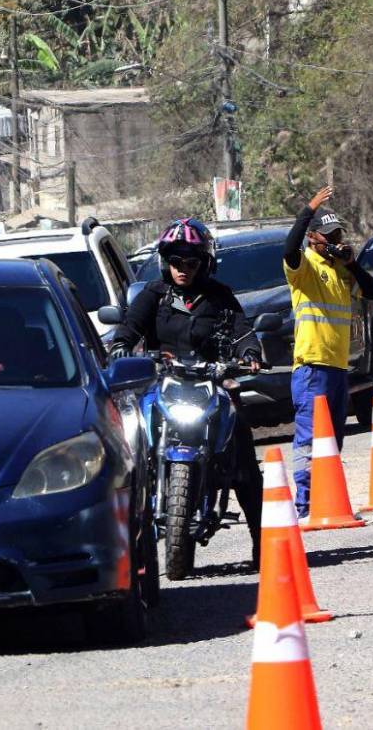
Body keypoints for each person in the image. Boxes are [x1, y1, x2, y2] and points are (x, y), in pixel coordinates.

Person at [107, 218, 264, 564]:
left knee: (242, 453)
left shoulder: (220, 297)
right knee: (126, 447)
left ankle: (262, 539)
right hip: (162, 385)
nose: (183, 269)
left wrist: (250, 353)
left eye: (191, 262)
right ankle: (125, 544)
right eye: (176, 262)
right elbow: (129, 328)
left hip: (211, 384)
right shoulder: (153, 295)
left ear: (204, 264)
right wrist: (120, 345)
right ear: (166, 262)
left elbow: (242, 332)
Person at [283, 186, 373, 517]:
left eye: (338, 235)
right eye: (329, 236)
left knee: (333, 439)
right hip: (312, 368)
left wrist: (352, 265)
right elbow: (288, 248)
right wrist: (308, 209)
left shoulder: (341, 271)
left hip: (338, 368)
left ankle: (328, 498)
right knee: (311, 439)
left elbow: (370, 292)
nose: (335, 241)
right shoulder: (305, 267)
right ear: (313, 238)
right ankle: (305, 503)